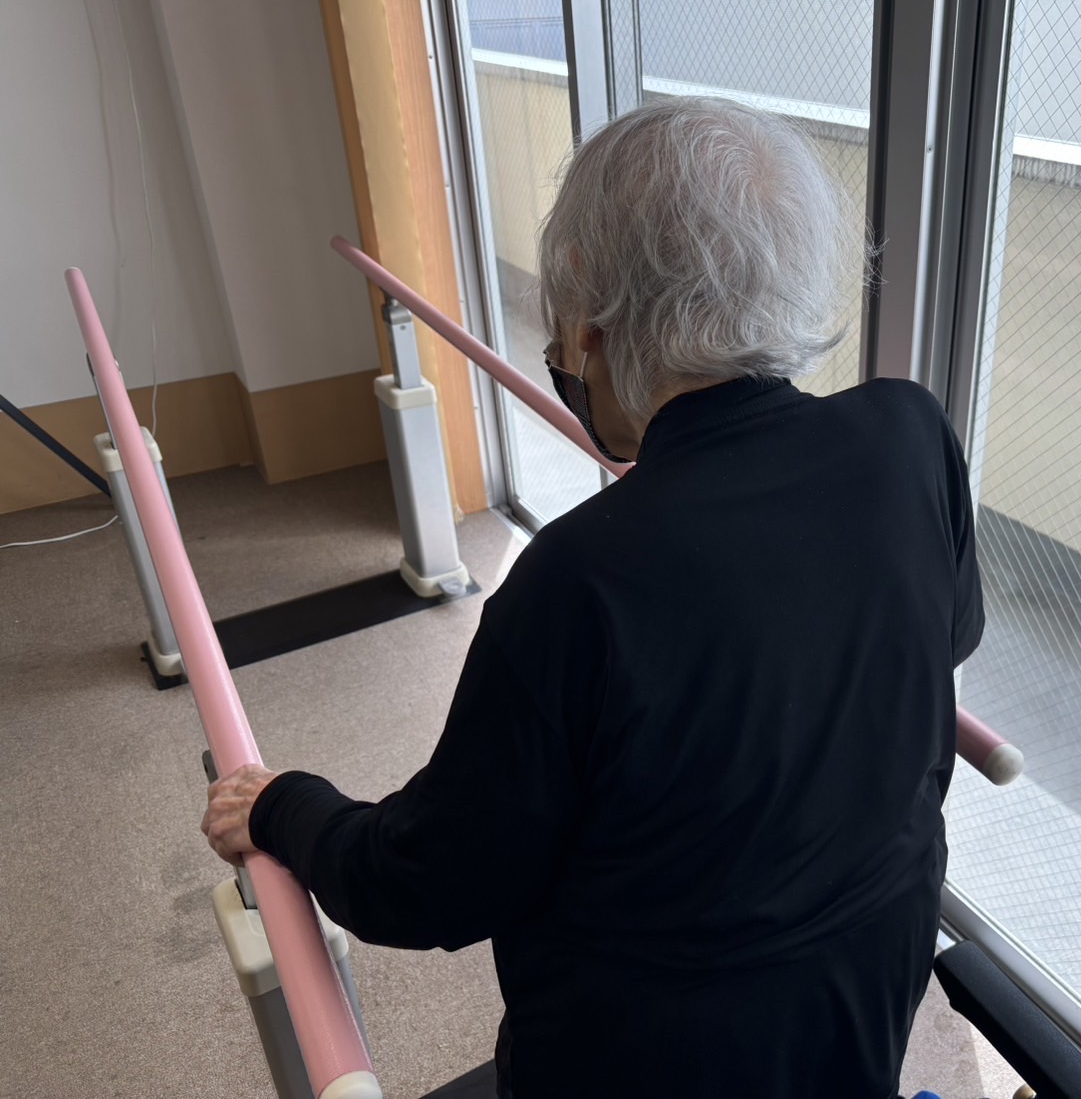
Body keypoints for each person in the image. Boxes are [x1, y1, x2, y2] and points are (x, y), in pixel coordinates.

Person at [202, 96, 984, 1099]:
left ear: (591, 321)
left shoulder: (580, 578)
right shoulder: (910, 437)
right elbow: (937, 640)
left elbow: (428, 883)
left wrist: (284, 805)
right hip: (861, 1007)